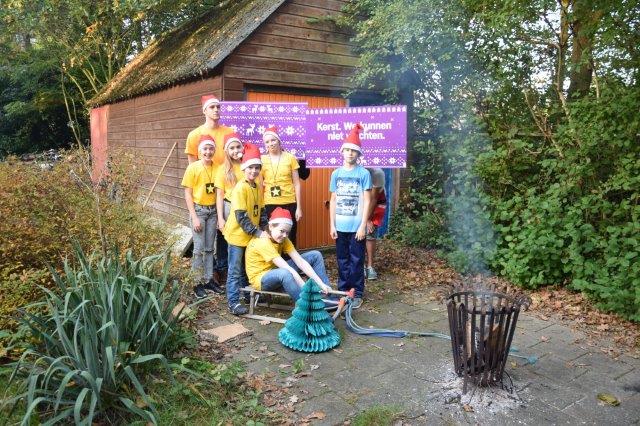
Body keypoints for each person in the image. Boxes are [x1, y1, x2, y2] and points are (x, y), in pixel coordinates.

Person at [185, 95, 234, 281]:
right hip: (203, 197)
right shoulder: (194, 135)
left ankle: (221, 268)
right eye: (212, 107)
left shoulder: (228, 131)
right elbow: (193, 166)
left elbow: (233, 156)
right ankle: (205, 275)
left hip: (224, 191)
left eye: (218, 107)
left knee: (222, 232)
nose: (216, 110)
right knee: (202, 244)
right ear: (204, 110)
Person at [245, 207, 332, 302]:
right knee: (285, 273)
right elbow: (288, 269)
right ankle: (307, 303)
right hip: (262, 280)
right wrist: (306, 289)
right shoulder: (263, 242)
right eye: (282, 231)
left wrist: (321, 284)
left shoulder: (283, 239)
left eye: (287, 232)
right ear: (271, 227)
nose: (285, 235)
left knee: (315, 255)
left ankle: (327, 295)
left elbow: (300, 262)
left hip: (278, 271)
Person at [329, 123, 371, 309]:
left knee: (357, 260)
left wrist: (363, 225)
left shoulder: (364, 173)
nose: (350, 153)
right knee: (342, 260)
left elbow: (367, 201)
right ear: (342, 152)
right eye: (347, 150)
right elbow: (333, 200)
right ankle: (344, 291)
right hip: (340, 226)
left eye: (353, 151)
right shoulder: (336, 174)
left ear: (358, 153)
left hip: (356, 227)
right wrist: (332, 225)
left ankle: (357, 292)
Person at [223, 143, 268, 315]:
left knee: (248, 268)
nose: (254, 171)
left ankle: (249, 295)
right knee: (234, 270)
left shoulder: (257, 187)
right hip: (237, 236)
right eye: (250, 167)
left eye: (257, 168)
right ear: (244, 168)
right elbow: (241, 216)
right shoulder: (240, 188)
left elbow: (261, 211)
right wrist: (258, 232)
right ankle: (233, 302)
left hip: (250, 236)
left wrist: (265, 228)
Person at [181, 134, 225, 298]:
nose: (208, 152)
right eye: (205, 149)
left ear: (214, 150)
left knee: (209, 248)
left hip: (212, 212)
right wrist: (194, 217)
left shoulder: (218, 168)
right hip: (199, 211)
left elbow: (219, 192)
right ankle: (196, 282)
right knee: (198, 249)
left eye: (211, 148)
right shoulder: (193, 168)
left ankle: (208, 279)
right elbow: (188, 194)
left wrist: (219, 216)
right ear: (200, 151)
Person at [260, 126, 303, 246]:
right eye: (267, 142)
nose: (271, 143)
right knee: (272, 236)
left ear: (279, 141)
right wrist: (261, 206)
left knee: (290, 235)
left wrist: (299, 207)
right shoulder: (262, 160)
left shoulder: (290, 158)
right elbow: (259, 185)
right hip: (270, 203)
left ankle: (290, 257)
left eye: (273, 140)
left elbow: (297, 184)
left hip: (289, 202)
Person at [364, 168, 386, 280]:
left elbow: (373, 199)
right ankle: (360, 265)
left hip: (376, 204)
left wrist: (368, 220)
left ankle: (370, 266)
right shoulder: (354, 170)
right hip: (358, 202)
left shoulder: (378, 174)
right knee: (357, 234)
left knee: (369, 233)